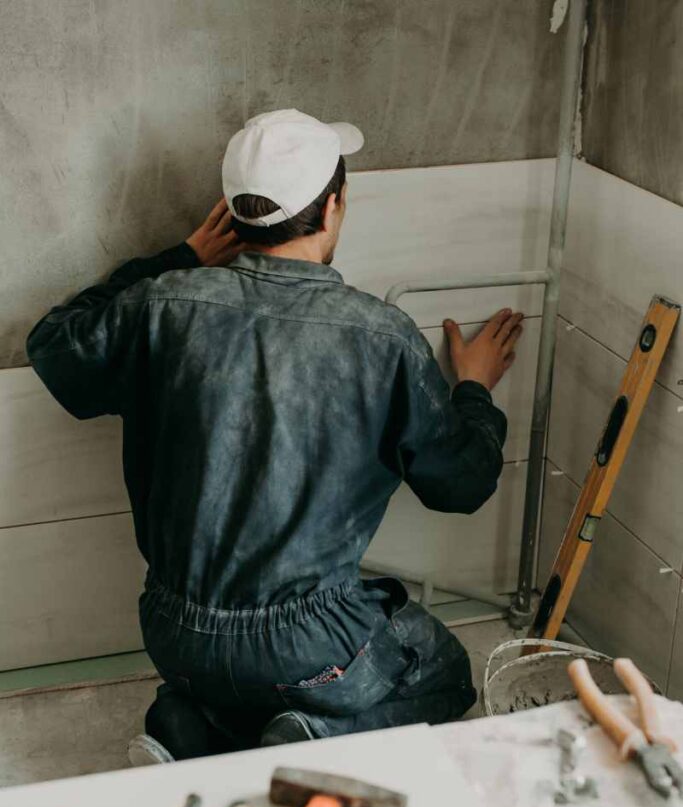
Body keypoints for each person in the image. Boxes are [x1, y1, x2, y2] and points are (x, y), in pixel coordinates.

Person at [27, 109, 523, 763]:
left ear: (235, 213)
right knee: (443, 672)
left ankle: (188, 722)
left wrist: (178, 258)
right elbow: (460, 484)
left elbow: (53, 345)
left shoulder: (163, 306)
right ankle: (315, 735)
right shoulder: (378, 336)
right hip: (307, 645)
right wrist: (473, 391)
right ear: (335, 206)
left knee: (242, 673)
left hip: (173, 631)